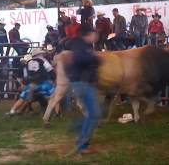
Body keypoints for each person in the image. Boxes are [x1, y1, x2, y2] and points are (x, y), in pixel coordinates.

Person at [64, 24, 101, 156]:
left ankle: (78, 133)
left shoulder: (83, 45)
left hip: (83, 82)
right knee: (94, 114)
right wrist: (96, 58)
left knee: (94, 114)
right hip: (81, 83)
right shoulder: (79, 45)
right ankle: (81, 143)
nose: (96, 36)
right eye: (94, 34)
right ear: (88, 34)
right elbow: (79, 59)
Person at [6, 49, 55, 115]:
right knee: (50, 96)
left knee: (24, 98)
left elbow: (24, 77)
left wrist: (23, 84)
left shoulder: (27, 64)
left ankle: (13, 111)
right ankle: (50, 112)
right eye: (41, 54)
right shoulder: (42, 60)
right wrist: (53, 79)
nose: (43, 55)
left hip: (31, 84)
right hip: (42, 83)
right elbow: (50, 69)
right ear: (38, 54)